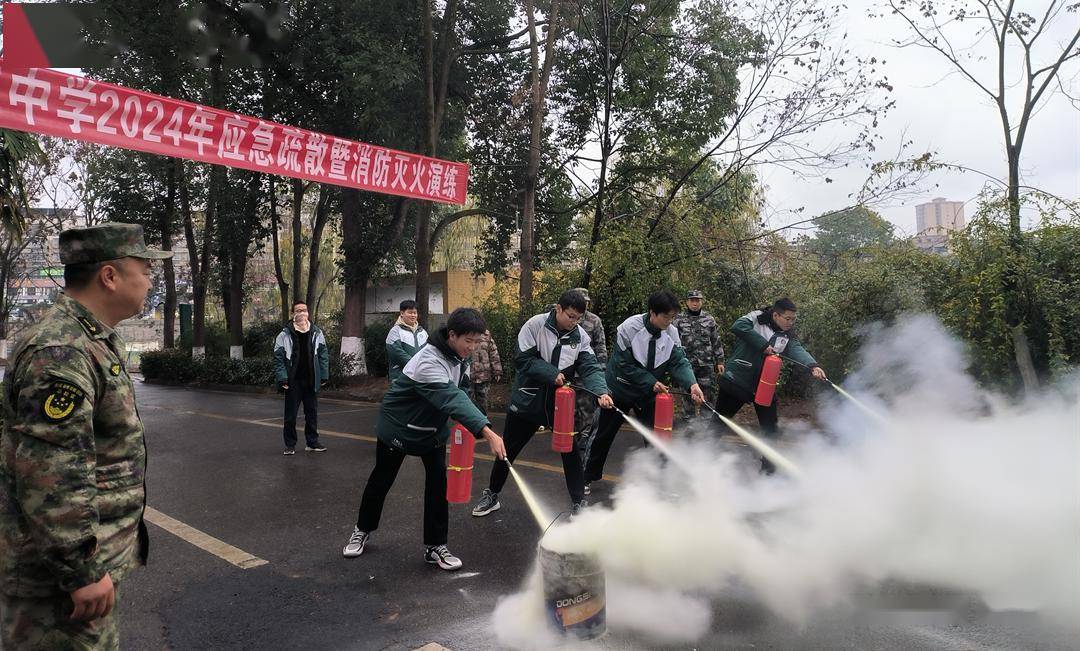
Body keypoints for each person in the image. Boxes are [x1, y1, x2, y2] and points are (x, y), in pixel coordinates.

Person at [0, 223, 171, 650]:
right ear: (109, 276)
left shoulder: (87, 339)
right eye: (145, 269)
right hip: (58, 588)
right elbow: (51, 473)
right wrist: (81, 570)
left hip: (71, 576)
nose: (151, 280)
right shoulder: (62, 352)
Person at [342, 308, 507, 571]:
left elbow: (461, 391)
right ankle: (362, 529)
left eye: (477, 342)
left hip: (431, 431)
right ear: (452, 335)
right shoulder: (429, 360)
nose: (473, 347)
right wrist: (486, 430)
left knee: (437, 486)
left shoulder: (458, 356)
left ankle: (435, 546)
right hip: (398, 428)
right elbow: (450, 397)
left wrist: (472, 422)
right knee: (381, 480)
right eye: (469, 341)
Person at [471, 290, 613, 518]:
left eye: (578, 318)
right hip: (528, 400)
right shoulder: (534, 325)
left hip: (560, 404)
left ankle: (578, 501)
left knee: (571, 451)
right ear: (558, 308)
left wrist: (601, 392)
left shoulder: (580, 337)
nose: (574, 322)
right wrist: (551, 373)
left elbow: (590, 367)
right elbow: (523, 360)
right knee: (508, 450)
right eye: (570, 316)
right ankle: (492, 494)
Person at [582, 290, 705, 493]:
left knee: (658, 436)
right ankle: (587, 477)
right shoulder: (629, 329)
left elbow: (679, 361)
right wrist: (650, 381)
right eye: (666, 316)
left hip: (648, 393)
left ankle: (660, 482)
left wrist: (691, 384)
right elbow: (624, 365)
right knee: (602, 435)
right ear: (652, 313)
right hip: (619, 389)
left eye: (672, 317)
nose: (669, 321)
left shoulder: (671, 333)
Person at [713, 298, 827, 474]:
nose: (791, 323)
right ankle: (702, 456)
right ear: (775, 315)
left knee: (770, 428)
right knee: (719, 422)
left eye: (793, 319)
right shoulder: (756, 317)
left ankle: (768, 470)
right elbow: (738, 326)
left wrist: (813, 366)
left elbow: (796, 349)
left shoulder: (787, 334)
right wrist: (763, 345)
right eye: (787, 318)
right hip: (738, 380)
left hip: (764, 385)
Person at [273, 302, 330, 455]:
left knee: (312, 413)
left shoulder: (316, 332)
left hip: (311, 380)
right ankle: (290, 445)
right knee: (290, 415)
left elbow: (323, 355)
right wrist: (283, 378)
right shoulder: (284, 334)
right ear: (293, 314)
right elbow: (278, 359)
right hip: (293, 381)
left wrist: (323, 375)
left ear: (308, 312)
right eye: (298, 310)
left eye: (304, 310)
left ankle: (312, 442)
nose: (302, 313)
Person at [672, 290, 725, 422]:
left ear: (701, 301)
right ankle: (688, 424)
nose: (695, 303)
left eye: (697, 300)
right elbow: (672, 342)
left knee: (707, 396)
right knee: (687, 395)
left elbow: (715, 340)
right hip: (687, 365)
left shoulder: (709, 319)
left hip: (706, 364)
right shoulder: (678, 319)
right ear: (687, 302)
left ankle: (706, 426)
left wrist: (720, 360)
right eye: (692, 300)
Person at [571, 288, 607, 454]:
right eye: (581, 300)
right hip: (569, 371)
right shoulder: (568, 318)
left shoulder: (594, 320)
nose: (584, 304)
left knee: (586, 406)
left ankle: (585, 436)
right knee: (571, 406)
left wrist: (601, 367)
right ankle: (572, 435)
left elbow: (600, 345)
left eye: (586, 301)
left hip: (587, 371)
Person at [385, 299, 428, 383]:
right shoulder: (395, 331)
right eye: (410, 312)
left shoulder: (423, 332)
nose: (413, 315)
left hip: (419, 378)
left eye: (415, 313)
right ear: (402, 313)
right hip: (400, 378)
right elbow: (397, 353)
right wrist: (416, 366)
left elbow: (429, 351)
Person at [468, 329, 502, 414]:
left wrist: (497, 370)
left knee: (482, 401)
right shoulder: (465, 332)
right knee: (468, 401)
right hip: (468, 375)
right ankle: (469, 423)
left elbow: (493, 353)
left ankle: (483, 422)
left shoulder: (486, 334)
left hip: (484, 375)